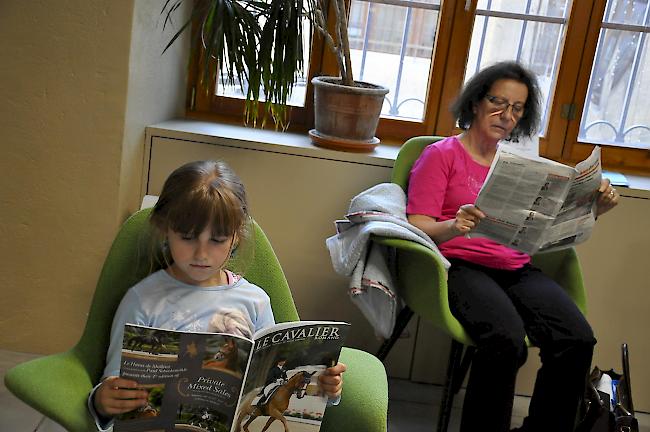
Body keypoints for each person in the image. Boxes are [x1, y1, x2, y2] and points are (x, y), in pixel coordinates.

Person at [406, 61, 618, 432]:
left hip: (517, 266)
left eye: (517, 108)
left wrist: (592, 210)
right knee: (505, 341)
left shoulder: (521, 164)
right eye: (498, 102)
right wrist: (454, 225)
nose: (506, 115)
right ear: (476, 102)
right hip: (461, 265)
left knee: (577, 338)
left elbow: (547, 227)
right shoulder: (441, 155)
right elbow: (417, 225)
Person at [87, 160, 346, 430]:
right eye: (187, 237)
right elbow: (115, 381)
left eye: (217, 240)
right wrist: (103, 401)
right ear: (166, 229)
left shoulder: (255, 301)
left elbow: (271, 372)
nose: (201, 253)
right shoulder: (142, 299)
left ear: (235, 237)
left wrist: (326, 389)